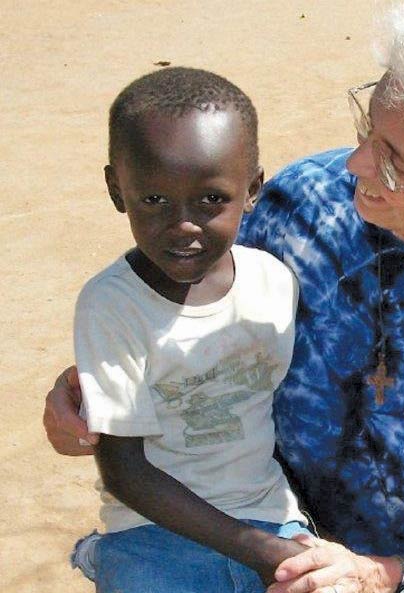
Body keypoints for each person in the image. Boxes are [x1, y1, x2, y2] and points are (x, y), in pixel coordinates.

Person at [44, 2, 404, 593]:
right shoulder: (305, 205)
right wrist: (87, 384)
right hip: (273, 560)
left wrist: (381, 576)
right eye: (369, 129)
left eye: (395, 163)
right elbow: (181, 311)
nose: (357, 163)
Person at [65, 66, 313, 593]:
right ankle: (106, 556)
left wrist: (277, 541)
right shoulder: (112, 305)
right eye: (153, 200)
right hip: (152, 528)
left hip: (268, 512)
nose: (183, 226)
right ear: (116, 189)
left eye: (210, 200)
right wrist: (256, 549)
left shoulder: (272, 281)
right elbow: (124, 470)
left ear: (251, 190)